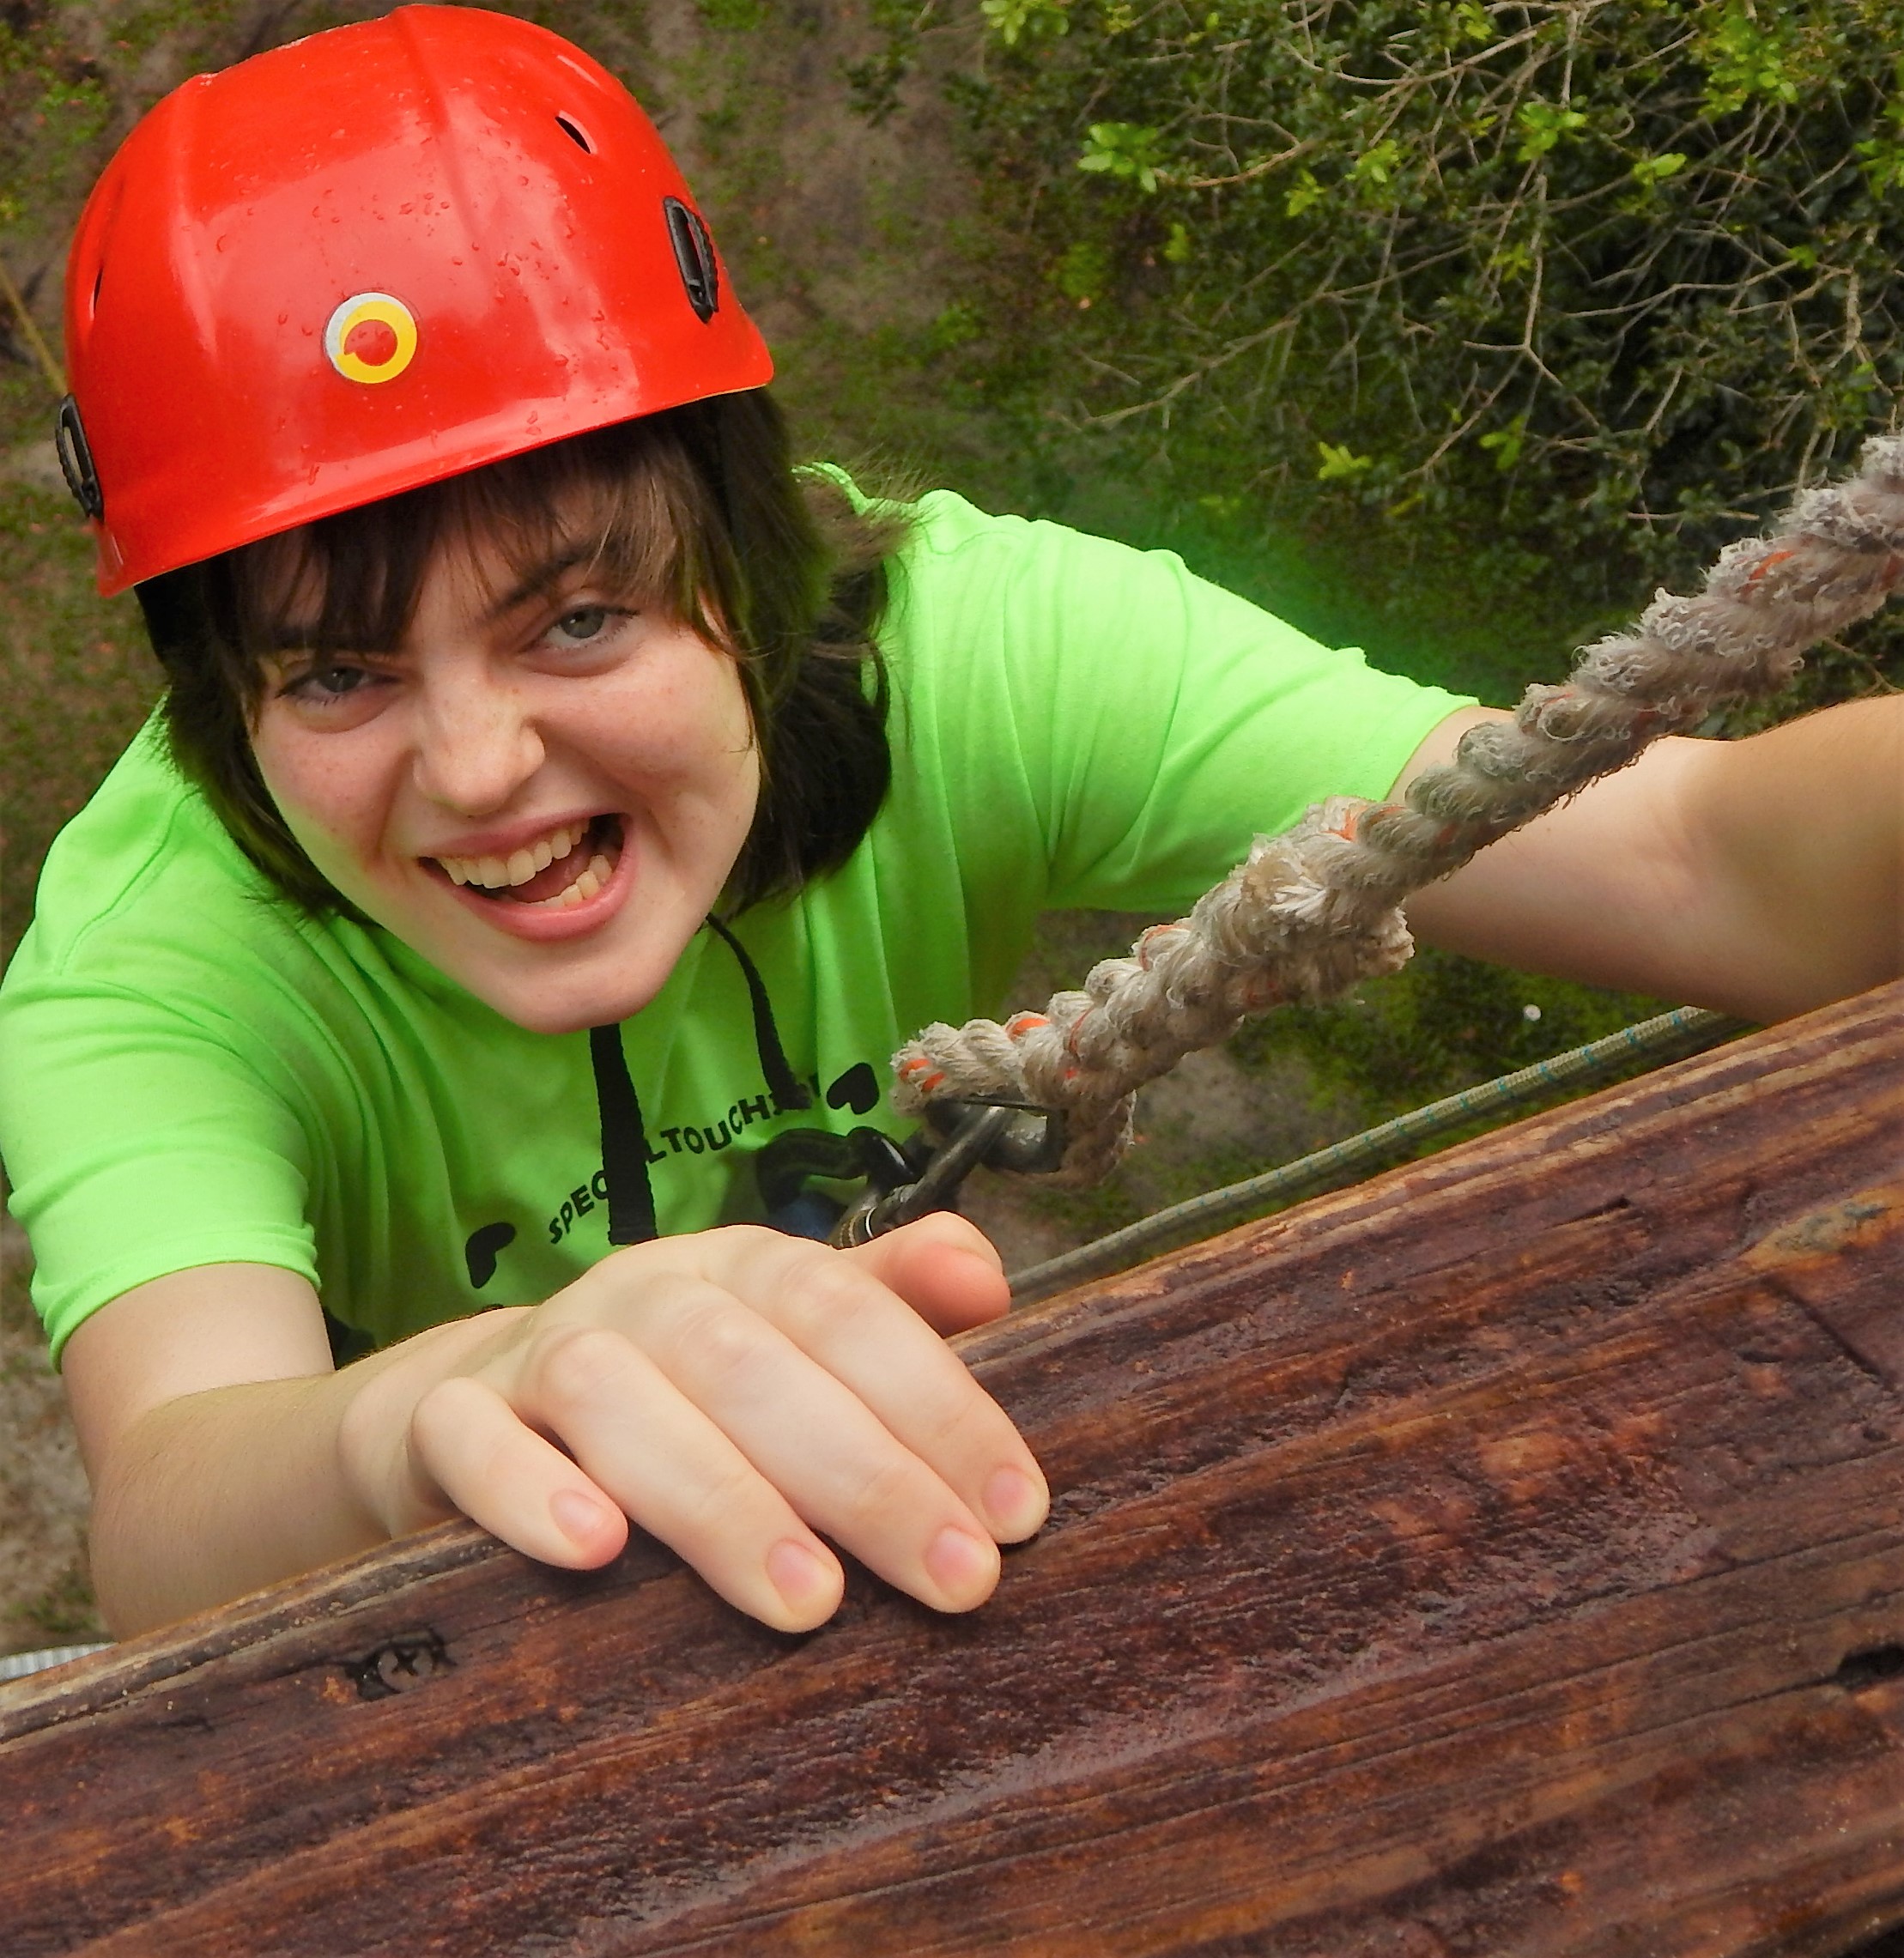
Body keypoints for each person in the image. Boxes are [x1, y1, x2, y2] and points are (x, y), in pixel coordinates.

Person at [1, 7, 1896, 1641]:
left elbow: (1703, 860)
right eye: (335, 674)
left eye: (578, 617)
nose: (482, 767)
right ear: (220, 702)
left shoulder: (964, 659)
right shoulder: (158, 958)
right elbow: (174, 1504)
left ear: (746, 546)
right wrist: (414, 1411)